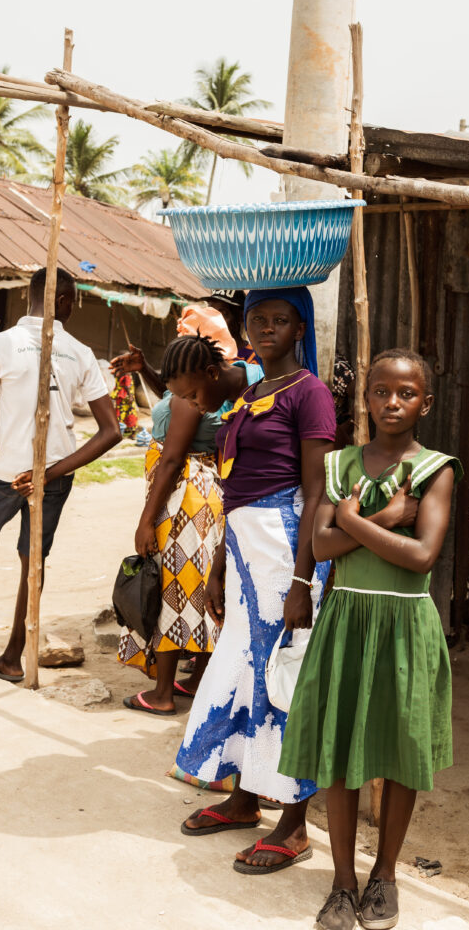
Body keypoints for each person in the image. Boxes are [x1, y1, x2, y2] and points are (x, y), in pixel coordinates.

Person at [279, 349, 463, 930]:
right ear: (366, 398)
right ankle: (342, 881)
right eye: (381, 391)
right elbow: (322, 546)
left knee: (401, 751)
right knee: (337, 752)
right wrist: (384, 518)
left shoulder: (436, 469)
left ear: (424, 404)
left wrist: (350, 521)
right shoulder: (339, 464)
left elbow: (421, 556)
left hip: (406, 623)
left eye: (407, 393)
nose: (392, 402)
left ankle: (384, 875)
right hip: (348, 619)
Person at [174, 287, 336, 875]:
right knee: (246, 671)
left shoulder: (310, 393)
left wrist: (301, 581)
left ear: (300, 329)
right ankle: (244, 799)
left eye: (279, 320)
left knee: (283, 679)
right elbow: (233, 487)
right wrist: (219, 564)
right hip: (245, 551)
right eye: (257, 319)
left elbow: (317, 492)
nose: (266, 328)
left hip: (285, 549)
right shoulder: (250, 393)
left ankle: (293, 824)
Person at [0, 267, 121, 680]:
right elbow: (112, 431)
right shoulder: (80, 352)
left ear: (29, 297)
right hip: (58, 473)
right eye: (72, 301)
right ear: (64, 301)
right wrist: (49, 474)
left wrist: (4, 470)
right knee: (32, 561)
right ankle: (12, 658)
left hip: (9, 471)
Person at [118, 330, 262, 714]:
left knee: (172, 589)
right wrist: (146, 370)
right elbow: (177, 396)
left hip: (183, 493)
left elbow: (170, 460)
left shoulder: (190, 399)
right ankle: (198, 678)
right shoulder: (216, 386)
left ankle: (162, 694)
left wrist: (145, 521)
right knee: (197, 586)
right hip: (204, 490)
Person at [208, 289, 257, 363]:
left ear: (240, 317)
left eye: (223, 314)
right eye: (210, 312)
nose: (214, 320)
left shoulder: (254, 359)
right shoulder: (203, 353)